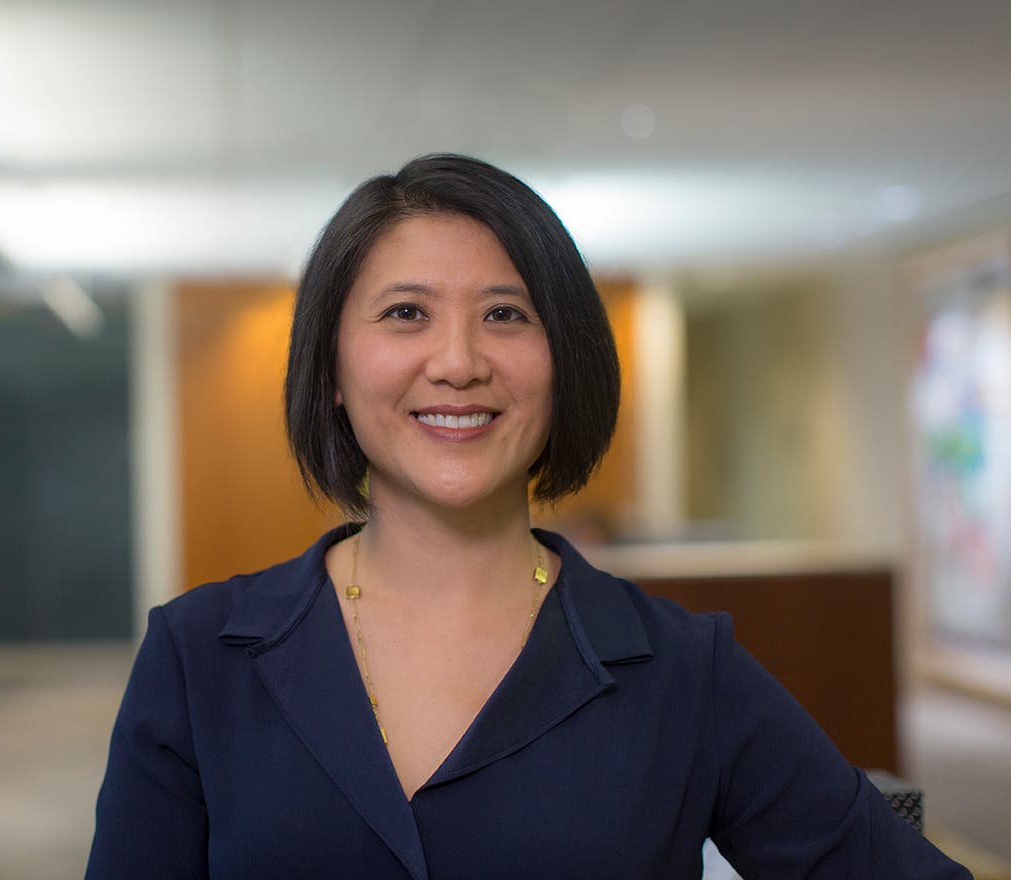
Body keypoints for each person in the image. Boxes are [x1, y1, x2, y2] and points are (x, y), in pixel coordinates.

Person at [86, 154, 970, 879]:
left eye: (505, 315)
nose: (458, 362)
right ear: (330, 371)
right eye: (405, 313)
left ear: (564, 362)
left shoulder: (681, 670)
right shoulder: (197, 657)